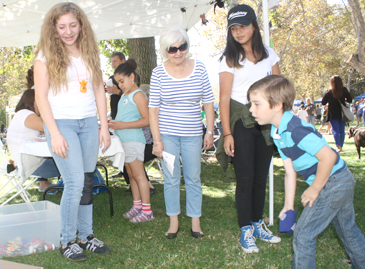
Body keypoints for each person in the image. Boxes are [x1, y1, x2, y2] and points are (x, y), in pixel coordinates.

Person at [247, 74, 365, 269]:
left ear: (277, 105)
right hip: (339, 180)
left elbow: (329, 157)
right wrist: (288, 207)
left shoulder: (295, 129)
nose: (251, 109)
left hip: (333, 182)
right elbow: (290, 171)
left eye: (256, 104)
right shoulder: (277, 131)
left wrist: (315, 188)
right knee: (349, 233)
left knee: (303, 233)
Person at [34, 2, 111, 262]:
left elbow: (99, 89)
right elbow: (41, 98)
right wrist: (54, 133)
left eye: (73, 25)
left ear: (81, 25)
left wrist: (104, 125)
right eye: (62, 26)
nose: (68, 31)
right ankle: (67, 240)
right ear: (53, 28)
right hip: (62, 123)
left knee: (87, 180)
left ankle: (86, 236)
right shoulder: (44, 56)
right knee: (75, 182)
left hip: (88, 122)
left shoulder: (89, 51)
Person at [217, 4, 281, 253]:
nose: (238, 31)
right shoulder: (229, 59)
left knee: (261, 178)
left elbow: (278, 90)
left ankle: (257, 224)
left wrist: (280, 122)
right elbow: (223, 98)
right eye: (233, 28)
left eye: (242, 26)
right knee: (244, 179)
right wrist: (228, 134)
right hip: (241, 124)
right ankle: (245, 230)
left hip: (265, 126)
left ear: (254, 25)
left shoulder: (270, 55)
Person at [148, 25, 215, 239]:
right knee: (171, 177)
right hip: (167, 136)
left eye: (182, 47)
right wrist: (157, 140)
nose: (178, 52)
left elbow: (209, 102)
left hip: (194, 134)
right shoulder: (158, 73)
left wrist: (210, 131)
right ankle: (173, 221)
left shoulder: (200, 68)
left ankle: (195, 221)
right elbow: (153, 110)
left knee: (193, 177)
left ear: (187, 46)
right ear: (164, 50)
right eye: (172, 49)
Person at [108, 62, 153, 222]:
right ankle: (137, 205)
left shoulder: (138, 95)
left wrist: (122, 125)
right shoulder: (124, 96)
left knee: (139, 175)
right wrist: (114, 124)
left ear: (132, 77)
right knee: (131, 175)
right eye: (118, 83)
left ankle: (147, 211)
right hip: (124, 141)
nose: (120, 85)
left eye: (122, 81)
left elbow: (147, 120)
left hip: (134, 140)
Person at [6, 89, 60, 191]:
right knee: (73, 161)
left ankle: (48, 185)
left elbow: (44, 130)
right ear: (34, 101)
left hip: (26, 164)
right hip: (30, 167)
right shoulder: (26, 114)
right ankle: (84, 187)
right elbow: (50, 127)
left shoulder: (22, 115)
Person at [321, 75, 352, 152]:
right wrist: (344, 100)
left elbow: (323, 102)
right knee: (342, 130)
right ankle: (341, 145)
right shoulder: (344, 90)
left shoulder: (328, 91)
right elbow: (350, 100)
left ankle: (338, 146)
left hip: (332, 113)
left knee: (335, 130)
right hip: (342, 113)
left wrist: (329, 102)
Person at [105, 52, 126, 120]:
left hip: (127, 115)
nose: (113, 63)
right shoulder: (111, 78)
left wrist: (117, 91)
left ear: (123, 61)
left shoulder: (130, 76)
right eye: (112, 61)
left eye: (115, 61)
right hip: (115, 114)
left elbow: (134, 94)